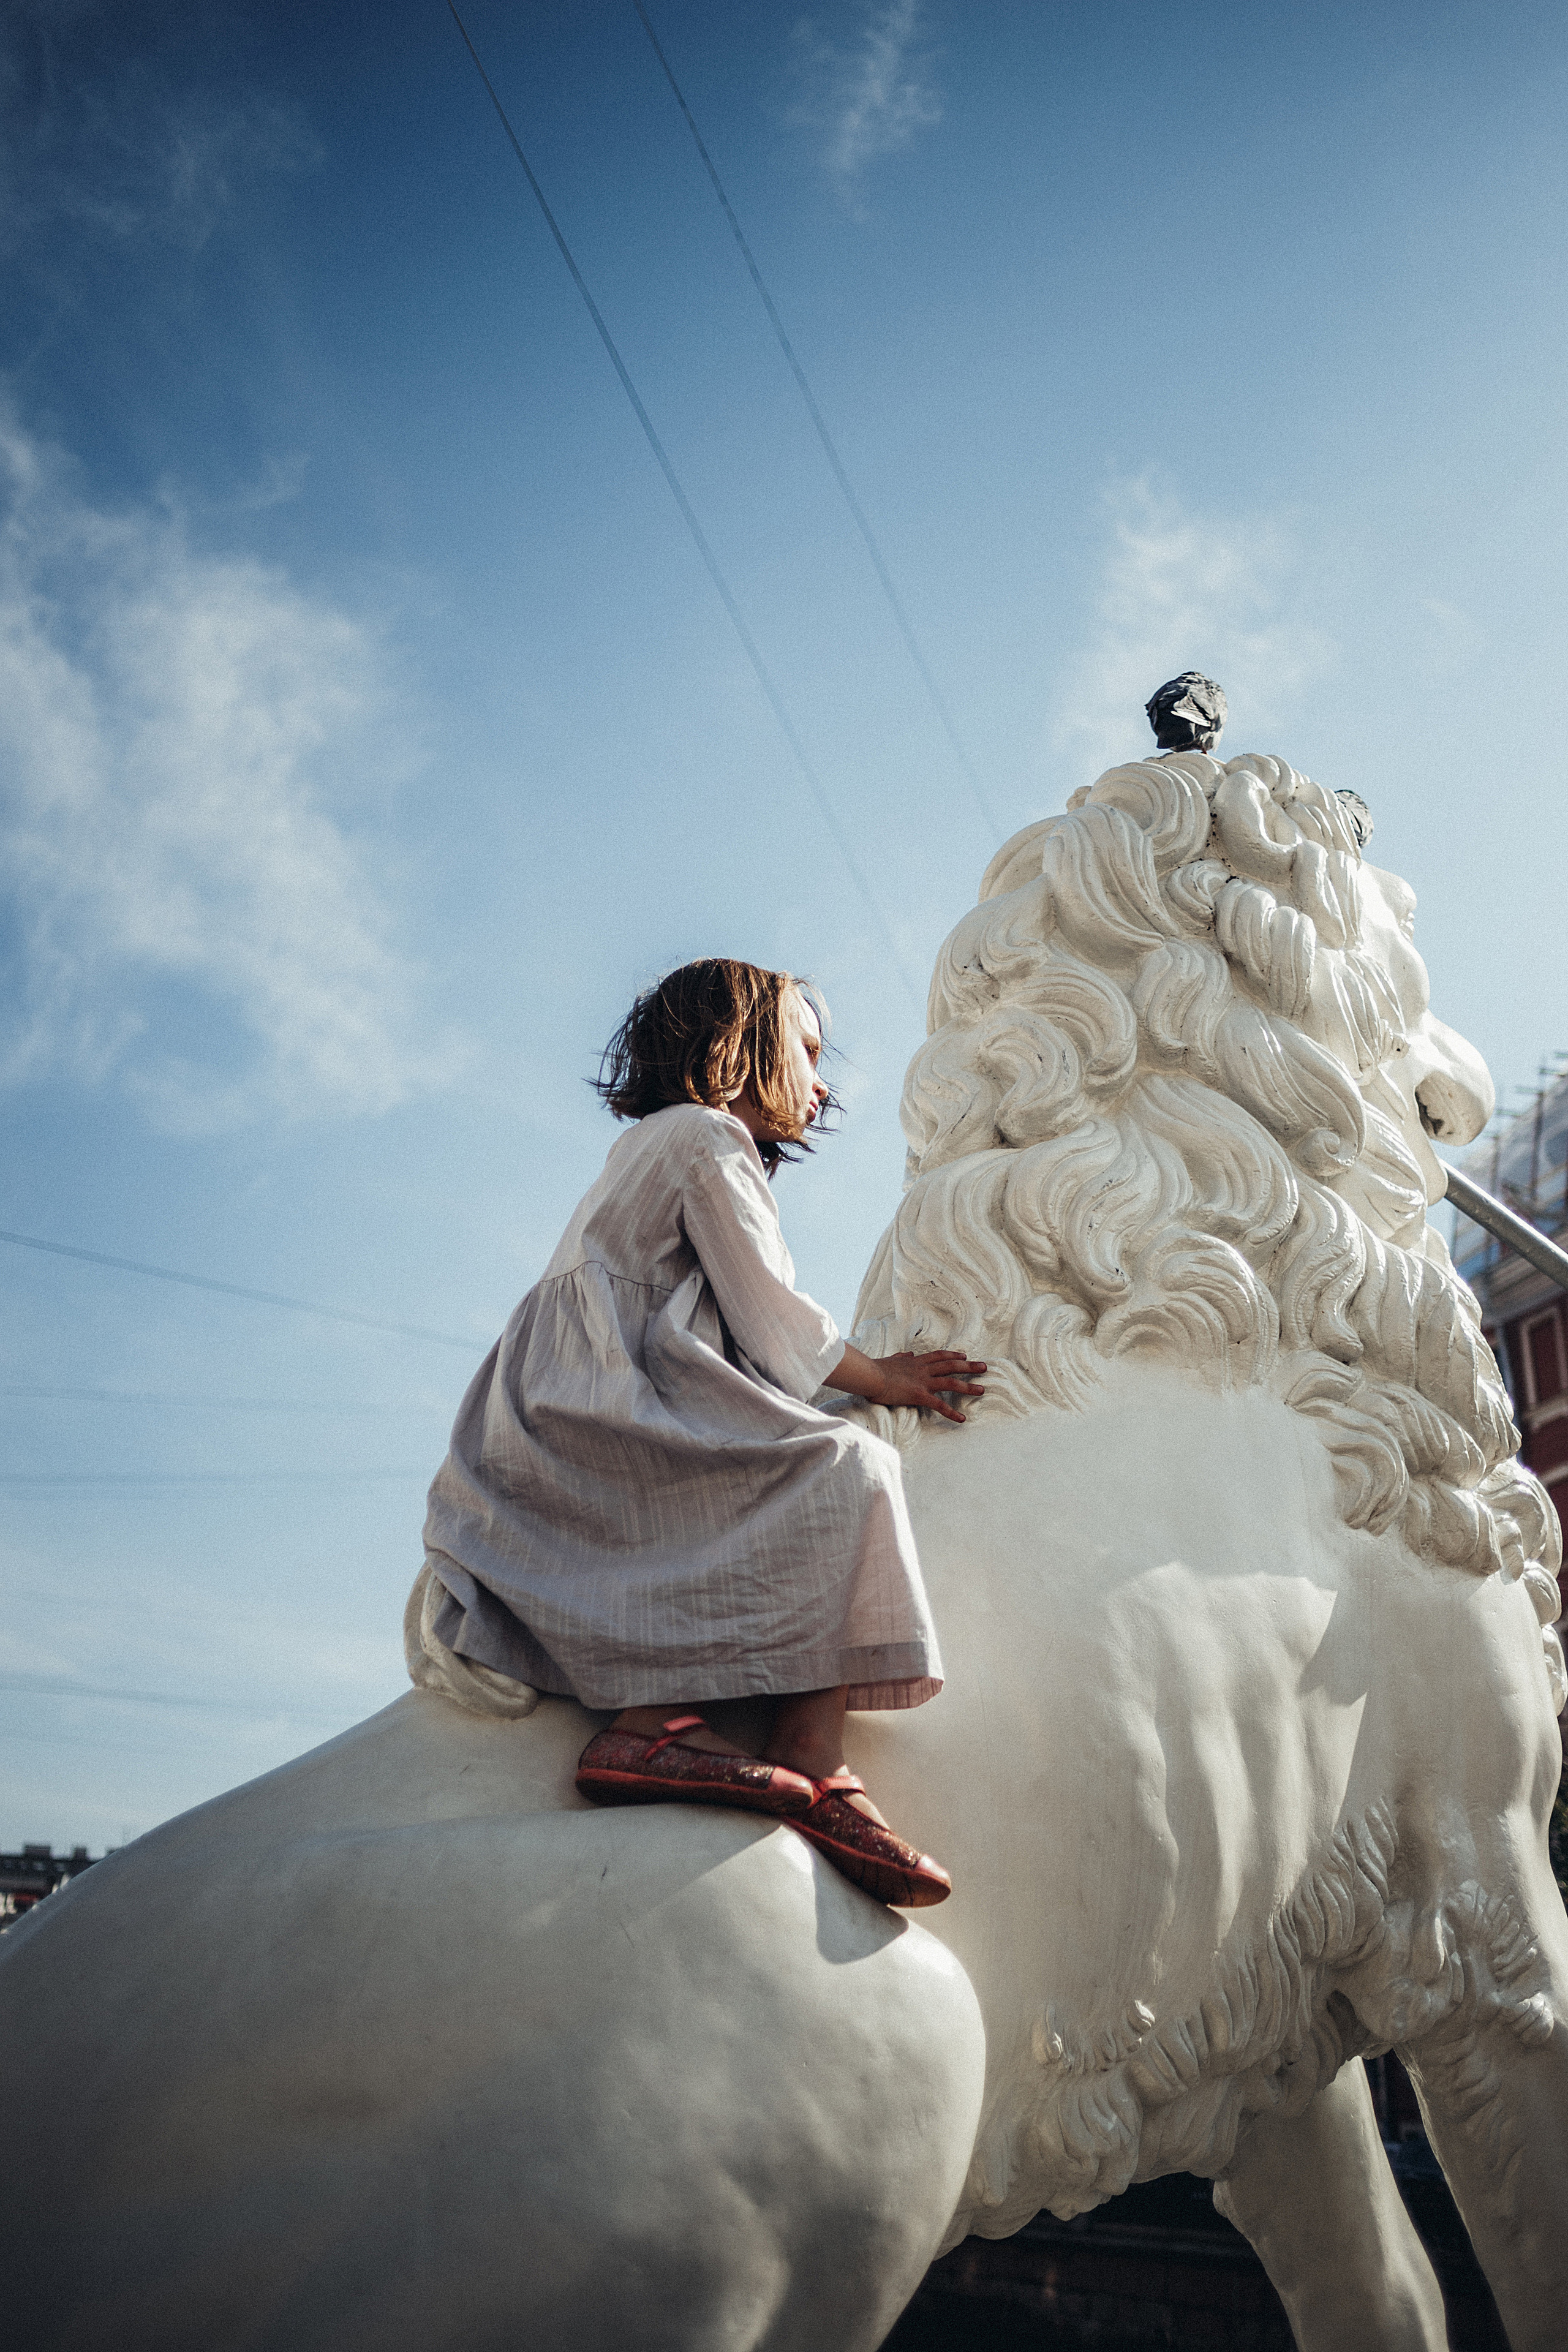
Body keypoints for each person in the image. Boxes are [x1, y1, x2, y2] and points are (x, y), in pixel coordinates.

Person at [421, 958, 984, 1907]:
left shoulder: (662, 1142)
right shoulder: (705, 1138)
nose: (821, 1078)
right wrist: (884, 1378)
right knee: (852, 1462)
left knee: (807, 1461)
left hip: (570, 1404)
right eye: (806, 1049)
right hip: (603, 1404)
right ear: (740, 1048)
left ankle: (679, 1723)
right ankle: (799, 1750)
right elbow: (776, 1320)